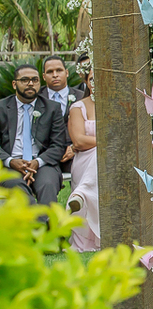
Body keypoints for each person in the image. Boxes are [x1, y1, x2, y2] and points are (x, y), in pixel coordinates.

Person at [0, 64, 66, 206]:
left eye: (35, 80)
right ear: (14, 84)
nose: (31, 83)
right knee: (17, 185)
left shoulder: (52, 108)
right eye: (25, 80)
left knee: (47, 185)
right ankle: (41, 224)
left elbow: (59, 145)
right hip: (9, 166)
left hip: (43, 164)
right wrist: (10, 161)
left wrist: (37, 162)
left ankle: (44, 225)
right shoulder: (2, 108)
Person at [65, 71, 99, 251]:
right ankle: (82, 192)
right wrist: (108, 144)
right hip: (85, 160)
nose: (96, 82)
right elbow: (78, 140)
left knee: (101, 155)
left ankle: (81, 194)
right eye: (92, 78)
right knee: (99, 154)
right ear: (86, 82)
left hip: (112, 162)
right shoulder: (78, 107)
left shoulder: (117, 104)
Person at [40, 56, 83, 176]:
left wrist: (74, 148)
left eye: (59, 70)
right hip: (45, 155)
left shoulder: (82, 97)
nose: (55, 75)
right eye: (50, 72)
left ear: (67, 72)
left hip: (76, 153)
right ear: (44, 76)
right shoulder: (37, 99)